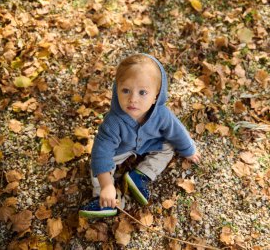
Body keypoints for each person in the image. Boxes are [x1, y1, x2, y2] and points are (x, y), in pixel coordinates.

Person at [79, 53, 200, 218]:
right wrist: (106, 184)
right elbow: (102, 151)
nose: (133, 99)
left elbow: (177, 131)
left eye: (143, 92)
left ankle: (140, 176)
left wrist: (188, 150)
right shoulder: (113, 121)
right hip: (120, 150)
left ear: (155, 96)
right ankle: (106, 200)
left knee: (168, 147)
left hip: (150, 143)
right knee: (98, 165)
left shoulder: (162, 114)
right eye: (126, 90)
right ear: (116, 89)